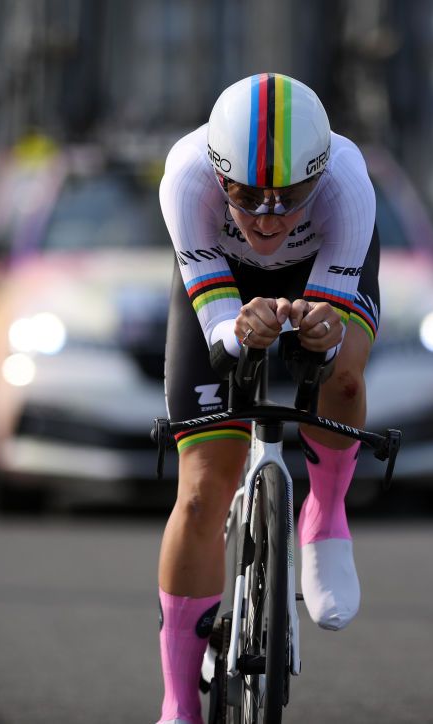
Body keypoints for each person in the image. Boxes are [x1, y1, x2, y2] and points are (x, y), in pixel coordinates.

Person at [156, 72, 379, 724]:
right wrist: (238, 330)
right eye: (247, 196)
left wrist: (319, 332)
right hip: (223, 284)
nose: (267, 216)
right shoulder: (187, 178)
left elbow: (328, 346)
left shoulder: (346, 184)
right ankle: (177, 702)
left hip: (322, 274)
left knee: (341, 377)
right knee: (200, 490)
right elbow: (223, 340)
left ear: (319, 173)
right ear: (219, 174)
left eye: (289, 197)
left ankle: (326, 514)